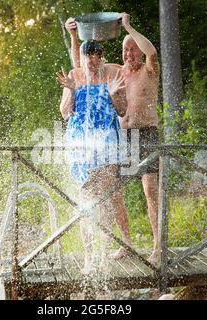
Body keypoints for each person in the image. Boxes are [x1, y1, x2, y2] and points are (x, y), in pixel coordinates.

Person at [65, 13, 161, 266]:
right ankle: (127, 244)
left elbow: (151, 52)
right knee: (113, 193)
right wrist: (74, 36)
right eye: (125, 50)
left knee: (150, 190)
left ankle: (157, 247)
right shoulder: (114, 71)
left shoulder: (143, 70)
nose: (128, 54)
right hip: (120, 138)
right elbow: (83, 67)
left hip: (146, 134)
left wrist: (128, 26)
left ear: (139, 51)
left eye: (132, 50)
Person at [56, 40, 128, 274]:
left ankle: (105, 253)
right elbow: (66, 112)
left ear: (102, 57)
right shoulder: (74, 75)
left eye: (96, 56)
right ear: (82, 57)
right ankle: (88, 257)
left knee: (107, 202)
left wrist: (115, 94)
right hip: (82, 150)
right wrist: (71, 91)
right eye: (88, 56)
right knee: (85, 204)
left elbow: (122, 110)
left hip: (106, 147)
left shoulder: (113, 74)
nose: (92, 60)